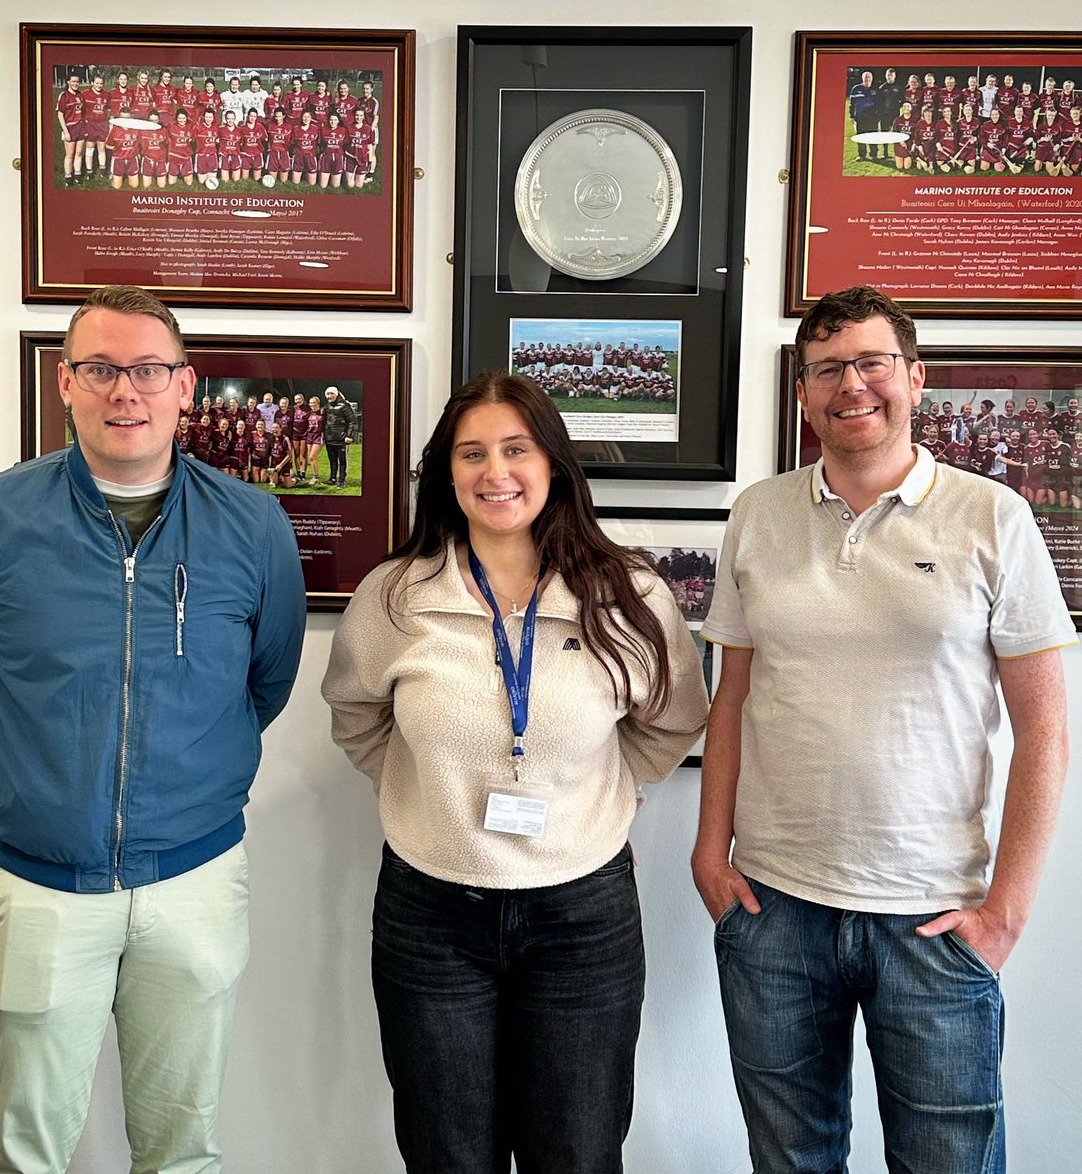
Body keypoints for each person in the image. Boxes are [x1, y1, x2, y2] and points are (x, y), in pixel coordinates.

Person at [0, 284, 306, 1174]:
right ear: (65, 382)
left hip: (195, 881)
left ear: (186, 386)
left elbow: (268, 679)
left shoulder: (252, 525)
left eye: (149, 369)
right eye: (100, 369)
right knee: (20, 1153)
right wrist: (29, 782)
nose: (126, 390)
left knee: (181, 1151)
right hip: (40, 885)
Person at [692, 285, 1073, 1174]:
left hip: (932, 915)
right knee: (790, 1160)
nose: (851, 385)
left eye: (872, 362)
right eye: (828, 368)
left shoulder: (994, 516)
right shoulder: (759, 513)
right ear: (803, 393)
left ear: (916, 376)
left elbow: (1046, 729)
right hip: (775, 907)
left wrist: (1007, 910)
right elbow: (733, 697)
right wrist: (710, 853)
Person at [322, 370, 708, 1174]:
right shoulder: (395, 597)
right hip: (431, 915)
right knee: (447, 1153)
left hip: (583, 916)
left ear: (554, 464)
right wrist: (429, 793)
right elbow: (357, 717)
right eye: (471, 454)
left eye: (516, 449)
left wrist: (594, 800)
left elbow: (671, 722)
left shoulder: (626, 593)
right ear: (447, 472)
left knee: (577, 1151)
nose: (494, 472)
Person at [323, 384, 356, 489]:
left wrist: (349, 435)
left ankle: (341, 480)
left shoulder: (345, 406)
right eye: (327, 394)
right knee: (332, 461)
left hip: (341, 439)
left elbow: (352, 421)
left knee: (342, 461)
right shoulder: (327, 406)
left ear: (336, 394)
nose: (329, 396)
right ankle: (332, 478)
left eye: (331, 393)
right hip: (329, 438)